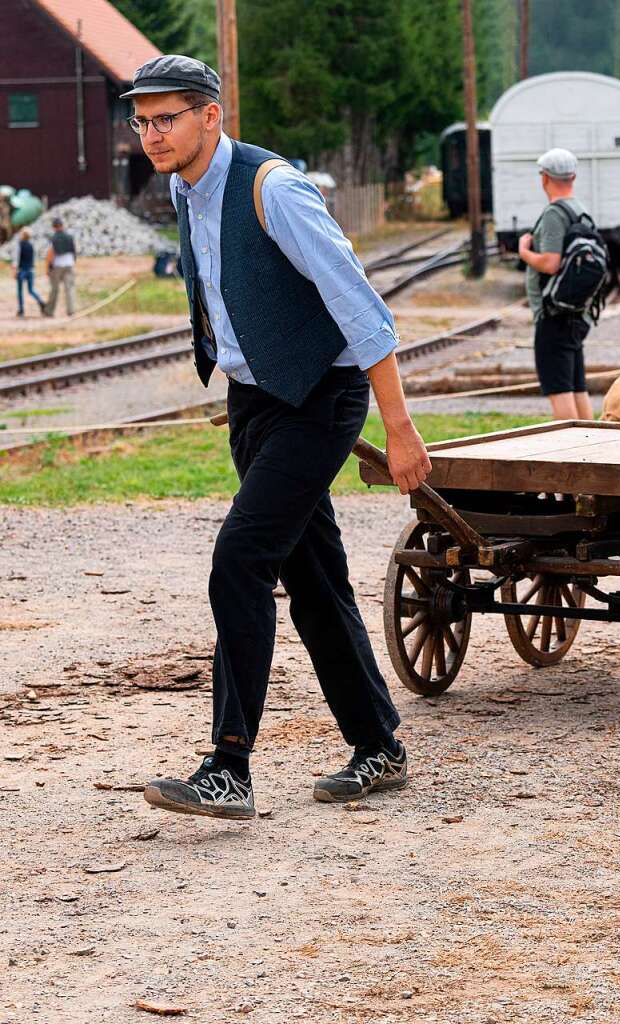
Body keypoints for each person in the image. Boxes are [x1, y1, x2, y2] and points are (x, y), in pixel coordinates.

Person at [122, 55, 431, 820]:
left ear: (210, 116)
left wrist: (400, 429)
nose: (151, 133)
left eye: (166, 118)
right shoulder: (182, 188)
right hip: (255, 400)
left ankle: (229, 764)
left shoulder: (274, 189)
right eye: (141, 120)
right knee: (317, 580)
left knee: (240, 561)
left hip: (319, 399)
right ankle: (380, 747)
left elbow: (362, 309)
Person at [518, 147, 594, 421]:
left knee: (559, 389)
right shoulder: (581, 211)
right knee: (576, 387)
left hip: (553, 315)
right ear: (573, 177)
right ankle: (594, 452)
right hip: (577, 314)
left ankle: (574, 457)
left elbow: (551, 263)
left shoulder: (554, 214)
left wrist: (525, 251)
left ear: (545, 178)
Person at [45, 217, 76, 316]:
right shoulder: (70, 237)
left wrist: (48, 268)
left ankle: (49, 311)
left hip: (57, 266)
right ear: (62, 225)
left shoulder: (53, 238)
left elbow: (51, 254)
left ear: (54, 227)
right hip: (69, 264)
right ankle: (71, 310)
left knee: (55, 289)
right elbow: (74, 251)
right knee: (69, 289)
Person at [13, 228, 45, 318]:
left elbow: (16, 259)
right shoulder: (31, 245)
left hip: (22, 270)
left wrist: (14, 271)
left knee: (20, 291)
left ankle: (21, 310)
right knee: (31, 290)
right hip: (30, 270)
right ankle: (41, 302)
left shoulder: (19, 245)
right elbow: (33, 258)